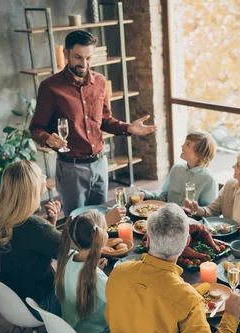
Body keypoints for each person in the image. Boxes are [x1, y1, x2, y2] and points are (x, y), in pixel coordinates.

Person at [105, 204, 240, 333]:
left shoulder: (119, 273)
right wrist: (231, 316)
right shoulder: (186, 298)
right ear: (187, 241)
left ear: (148, 238)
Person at [30, 30, 156, 216]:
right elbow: (36, 128)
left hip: (99, 163)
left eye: (89, 58)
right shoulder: (50, 87)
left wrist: (129, 128)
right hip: (71, 168)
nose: (84, 64)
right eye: (78, 57)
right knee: (77, 221)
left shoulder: (100, 82)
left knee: (102, 218)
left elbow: (105, 120)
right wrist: (48, 139)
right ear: (66, 54)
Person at [0, 160, 63, 318]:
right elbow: (72, 251)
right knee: (88, 287)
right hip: (37, 307)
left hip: (13, 302)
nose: (45, 176)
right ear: (32, 187)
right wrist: (103, 224)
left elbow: (39, 243)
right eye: (40, 175)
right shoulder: (35, 227)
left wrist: (51, 221)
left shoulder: (7, 218)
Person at [54, 210, 111, 333]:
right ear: (101, 237)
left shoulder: (67, 257)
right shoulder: (97, 277)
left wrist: (94, 268)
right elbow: (121, 305)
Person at [141, 131, 218, 206]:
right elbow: (164, 196)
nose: (182, 146)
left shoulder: (209, 179)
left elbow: (208, 212)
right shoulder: (176, 168)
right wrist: (146, 194)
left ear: (200, 153)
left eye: (187, 145)